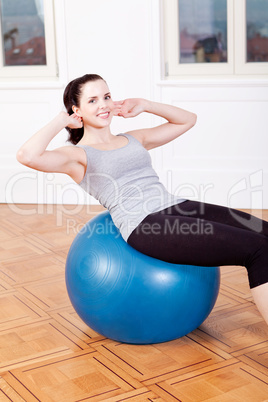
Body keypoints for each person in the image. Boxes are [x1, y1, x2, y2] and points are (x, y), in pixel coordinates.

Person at [17, 73, 268, 325]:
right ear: (77, 110)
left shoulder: (133, 138)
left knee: (264, 232)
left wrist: (146, 105)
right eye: (92, 100)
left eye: (106, 96)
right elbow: (27, 155)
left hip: (176, 205)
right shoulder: (77, 156)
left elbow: (187, 120)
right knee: (258, 251)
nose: (103, 104)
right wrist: (60, 121)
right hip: (145, 224)